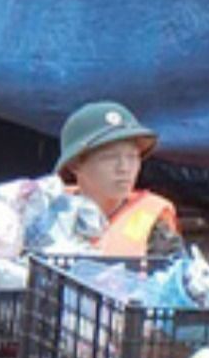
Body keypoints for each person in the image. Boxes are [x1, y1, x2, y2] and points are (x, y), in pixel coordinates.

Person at [58, 100, 183, 258]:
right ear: (75, 165)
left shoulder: (154, 227)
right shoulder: (48, 215)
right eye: (109, 157)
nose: (124, 168)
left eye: (132, 157)